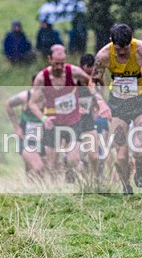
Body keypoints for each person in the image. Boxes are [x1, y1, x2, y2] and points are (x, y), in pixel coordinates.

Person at [29, 45, 110, 181]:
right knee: (52, 164)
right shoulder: (41, 79)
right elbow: (32, 103)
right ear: (49, 59)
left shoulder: (73, 72)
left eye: (62, 63)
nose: (60, 67)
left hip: (73, 121)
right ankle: (55, 193)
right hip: (52, 124)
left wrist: (100, 102)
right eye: (56, 64)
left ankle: (76, 175)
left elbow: (90, 83)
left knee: (74, 160)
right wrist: (43, 118)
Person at [94, 24, 142, 194]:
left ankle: (141, 165)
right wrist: (101, 103)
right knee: (120, 153)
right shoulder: (104, 55)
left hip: (140, 99)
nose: (122, 53)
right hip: (118, 102)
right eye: (118, 49)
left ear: (131, 41)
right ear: (111, 41)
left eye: (126, 48)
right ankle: (126, 185)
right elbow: (93, 81)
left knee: (141, 145)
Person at [6, 76, 47, 180]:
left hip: (43, 138)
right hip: (26, 137)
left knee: (42, 168)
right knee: (37, 167)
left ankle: (32, 189)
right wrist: (16, 127)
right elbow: (8, 104)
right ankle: (33, 188)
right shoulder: (25, 96)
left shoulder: (49, 98)